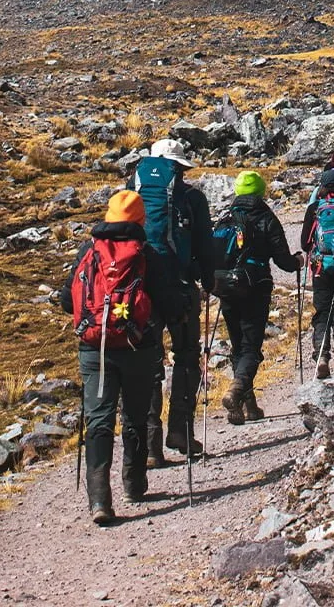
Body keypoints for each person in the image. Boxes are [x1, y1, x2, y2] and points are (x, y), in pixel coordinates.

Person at [58, 190, 181, 525]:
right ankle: (134, 484)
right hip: (137, 349)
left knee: (98, 420)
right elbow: (169, 304)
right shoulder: (147, 253)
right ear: (141, 220)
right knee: (135, 416)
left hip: (94, 349)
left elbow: (68, 301)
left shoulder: (89, 250)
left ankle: (99, 500)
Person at [127, 139, 213, 466]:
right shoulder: (192, 199)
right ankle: (180, 428)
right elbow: (205, 246)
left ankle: (150, 445)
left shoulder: (131, 194)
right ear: (178, 167)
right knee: (187, 355)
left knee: (148, 362)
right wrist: (207, 279)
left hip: (142, 292)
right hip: (180, 287)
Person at [210, 170, 297, 423]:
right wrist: (297, 262)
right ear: (261, 191)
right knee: (250, 344)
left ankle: (247, 406)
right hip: (254, 286)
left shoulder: (225, 217)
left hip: (225, 285)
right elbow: (283, 260)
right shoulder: (265, 216)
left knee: (237, 344)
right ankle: (237, 391)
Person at [299, 167, 334, 378]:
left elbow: (305, 242)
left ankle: (321, 354)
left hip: (320, 266)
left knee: (322, 311)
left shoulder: (314, 208)